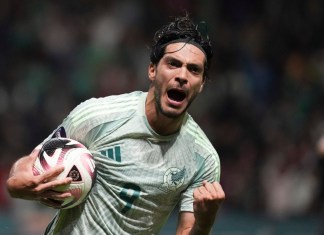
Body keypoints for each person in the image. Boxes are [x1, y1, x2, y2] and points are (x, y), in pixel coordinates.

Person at [6, 14, 225, 235]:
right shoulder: (97, 116)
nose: (182, 76)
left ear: (202, 84)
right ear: (152, 70)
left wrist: (203, 225)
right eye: (173, 64)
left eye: (194, 70)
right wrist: (18, 180)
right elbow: (33, 160)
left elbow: (187, 230)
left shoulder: (202, 158)